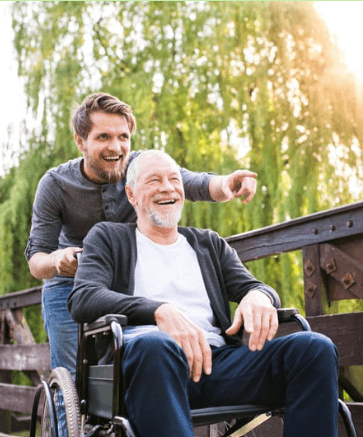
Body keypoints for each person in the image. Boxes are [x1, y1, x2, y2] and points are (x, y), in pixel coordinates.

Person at [68, 150, 339, 437]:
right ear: (132, 195)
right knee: (156, 345)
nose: (167, 187)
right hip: (147, 366)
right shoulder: (108, 238)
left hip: (218, 364)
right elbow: (83, 297)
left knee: (314, 349)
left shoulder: (208, 243)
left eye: (174, 179)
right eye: (154, 181)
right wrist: (159, 311)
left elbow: (253, 286)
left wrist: (260, 296)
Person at [25, 93, 258, 378]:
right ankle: (71, 419)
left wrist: (228, 184)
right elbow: (36, 262)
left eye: (123, 137)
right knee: (73, 377)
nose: (116, 147)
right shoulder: (55, 184)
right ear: (80, 141)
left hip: (123, 279)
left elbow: (191, 182)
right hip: (69, 284)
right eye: (103, 137)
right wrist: (57, 260)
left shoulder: (140, 168)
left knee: (133, 363)